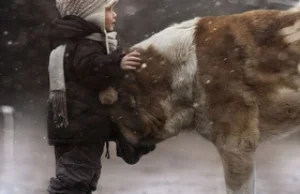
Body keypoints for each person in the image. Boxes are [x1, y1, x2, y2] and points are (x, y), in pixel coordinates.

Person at [46, 0, 155, 193]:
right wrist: (117, 64)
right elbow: (91, 71)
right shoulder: (86, 44)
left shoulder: (76, 42)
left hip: (76, 129)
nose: (115, 15)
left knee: (80, 177)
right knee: (75, 180)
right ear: (91, 15)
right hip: (81, 130)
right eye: (108, 10)